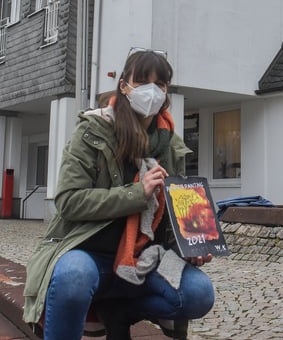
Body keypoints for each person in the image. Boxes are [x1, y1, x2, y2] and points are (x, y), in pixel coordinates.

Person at [22, 49, 215, 340]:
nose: (152, 91)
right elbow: (69, 200)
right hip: (87, 252)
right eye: (143, 82)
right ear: (124, 86)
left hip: (145, 259)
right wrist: (136, 193)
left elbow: (174, 216)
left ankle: (120, 311)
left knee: (199, 294)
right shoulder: (92, 130)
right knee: (72, 278)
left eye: (160, 85)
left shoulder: (171, 145)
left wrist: (193, 245)